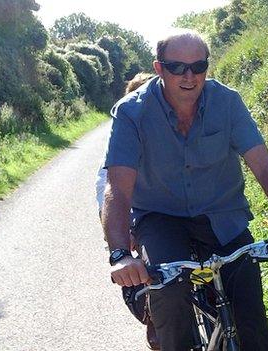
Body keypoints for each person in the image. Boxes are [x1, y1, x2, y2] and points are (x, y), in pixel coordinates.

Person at [101, 29, 268, 351]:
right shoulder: (132, 113)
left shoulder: (227, 102)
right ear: (159, 68)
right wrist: (120, 254)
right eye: (177, 67)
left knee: (250, 311)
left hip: (221, 214)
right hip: (160, 217)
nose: (189, 76)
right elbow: (118, 187)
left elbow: (263, 165)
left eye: (198, 67)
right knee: (168, 293)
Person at [96, 72, 160, 350]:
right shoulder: (122, 140)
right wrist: (123, 234)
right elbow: (107, 190)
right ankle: (157, 332)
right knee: (155, 283)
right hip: (141, 223)